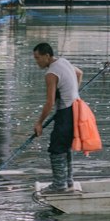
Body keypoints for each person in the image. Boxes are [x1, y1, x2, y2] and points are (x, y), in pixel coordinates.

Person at [33, 41, 83, 192]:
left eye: (38, 57)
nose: (36, 61)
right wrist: (74, 92)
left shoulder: (51, 74)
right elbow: (79, 73)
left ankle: (59, 185)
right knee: (65, 147)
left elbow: (49, 103)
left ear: (47, 56)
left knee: (56, 148)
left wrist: (39, 123)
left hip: (66, 112)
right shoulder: (63, 62)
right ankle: (68, 181)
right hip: (76, 107)